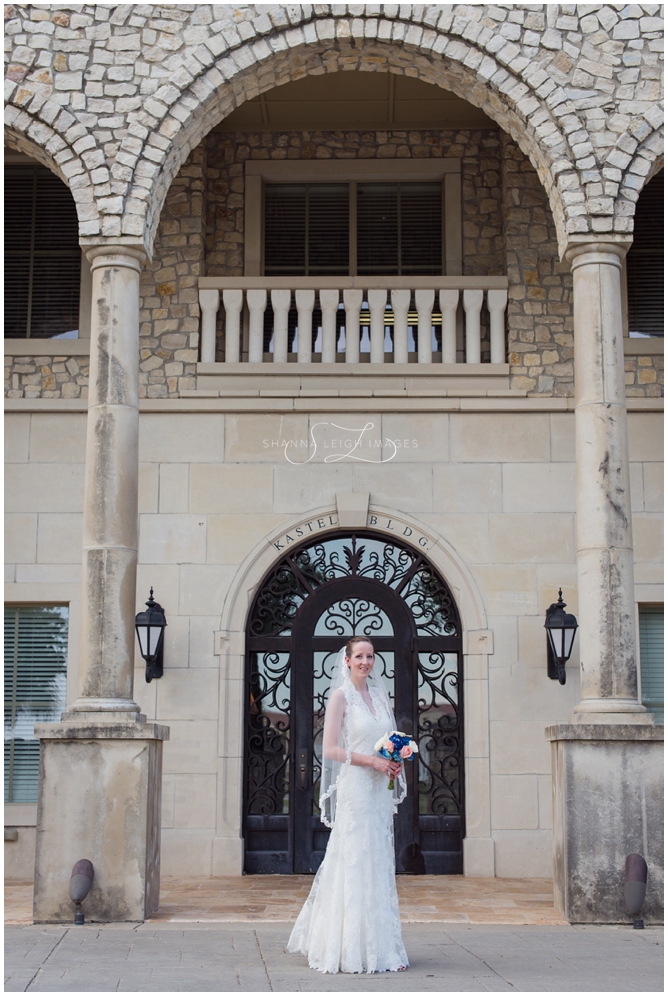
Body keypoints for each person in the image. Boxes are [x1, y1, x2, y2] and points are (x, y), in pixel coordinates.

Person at [287, 636, 409, 974]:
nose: (365, 662)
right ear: (347, 659)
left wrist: (392, 760)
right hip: (356, 789)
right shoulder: (340, 697)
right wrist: (372, 762)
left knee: (378, 859)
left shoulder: (381, 695)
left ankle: (381, 948)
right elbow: (329, 750)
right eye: (359, 656)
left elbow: (387, 742)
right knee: (354, 859)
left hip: (378, 793)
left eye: (370, 656)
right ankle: (348, 948)